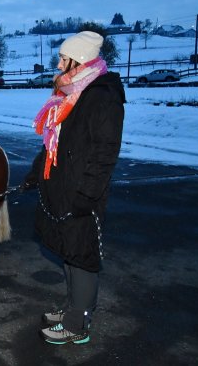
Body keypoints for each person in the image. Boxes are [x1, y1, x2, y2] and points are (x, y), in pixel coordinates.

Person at [26, 31, 125, 344]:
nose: (58, 63)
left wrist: (88, 194)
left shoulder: (102, 94)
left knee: (81, 253)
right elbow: (53, 142)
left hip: (81, 190)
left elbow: (105, 151)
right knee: (67, 248)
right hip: (61, 186)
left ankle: (78, 324)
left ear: (78, 60)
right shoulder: (71, 93)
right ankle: (74, 307)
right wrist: (34, 174)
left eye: (63, 58)